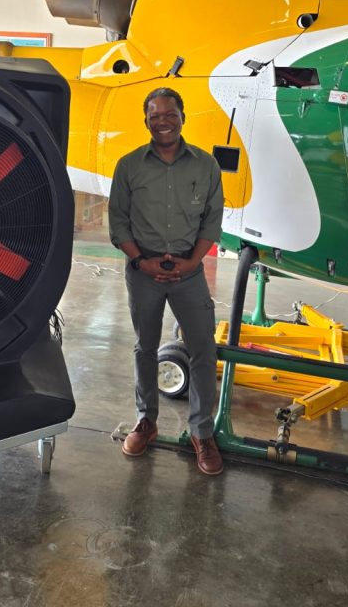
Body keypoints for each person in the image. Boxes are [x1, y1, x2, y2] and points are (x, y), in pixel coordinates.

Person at [108, 87, 225, 476]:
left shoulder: (205, 166)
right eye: (155, 115)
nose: (163, 121)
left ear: (182, 116)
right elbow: (118, 222)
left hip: (189, 273)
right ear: (146, 120)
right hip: (144, 273)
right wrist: (141, 261)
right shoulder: (129, 166)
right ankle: (147, 421)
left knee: (203, 350)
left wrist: (193, 262)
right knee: (144, 347)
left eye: (170, 114)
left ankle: (201, 432)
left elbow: (212, 219)